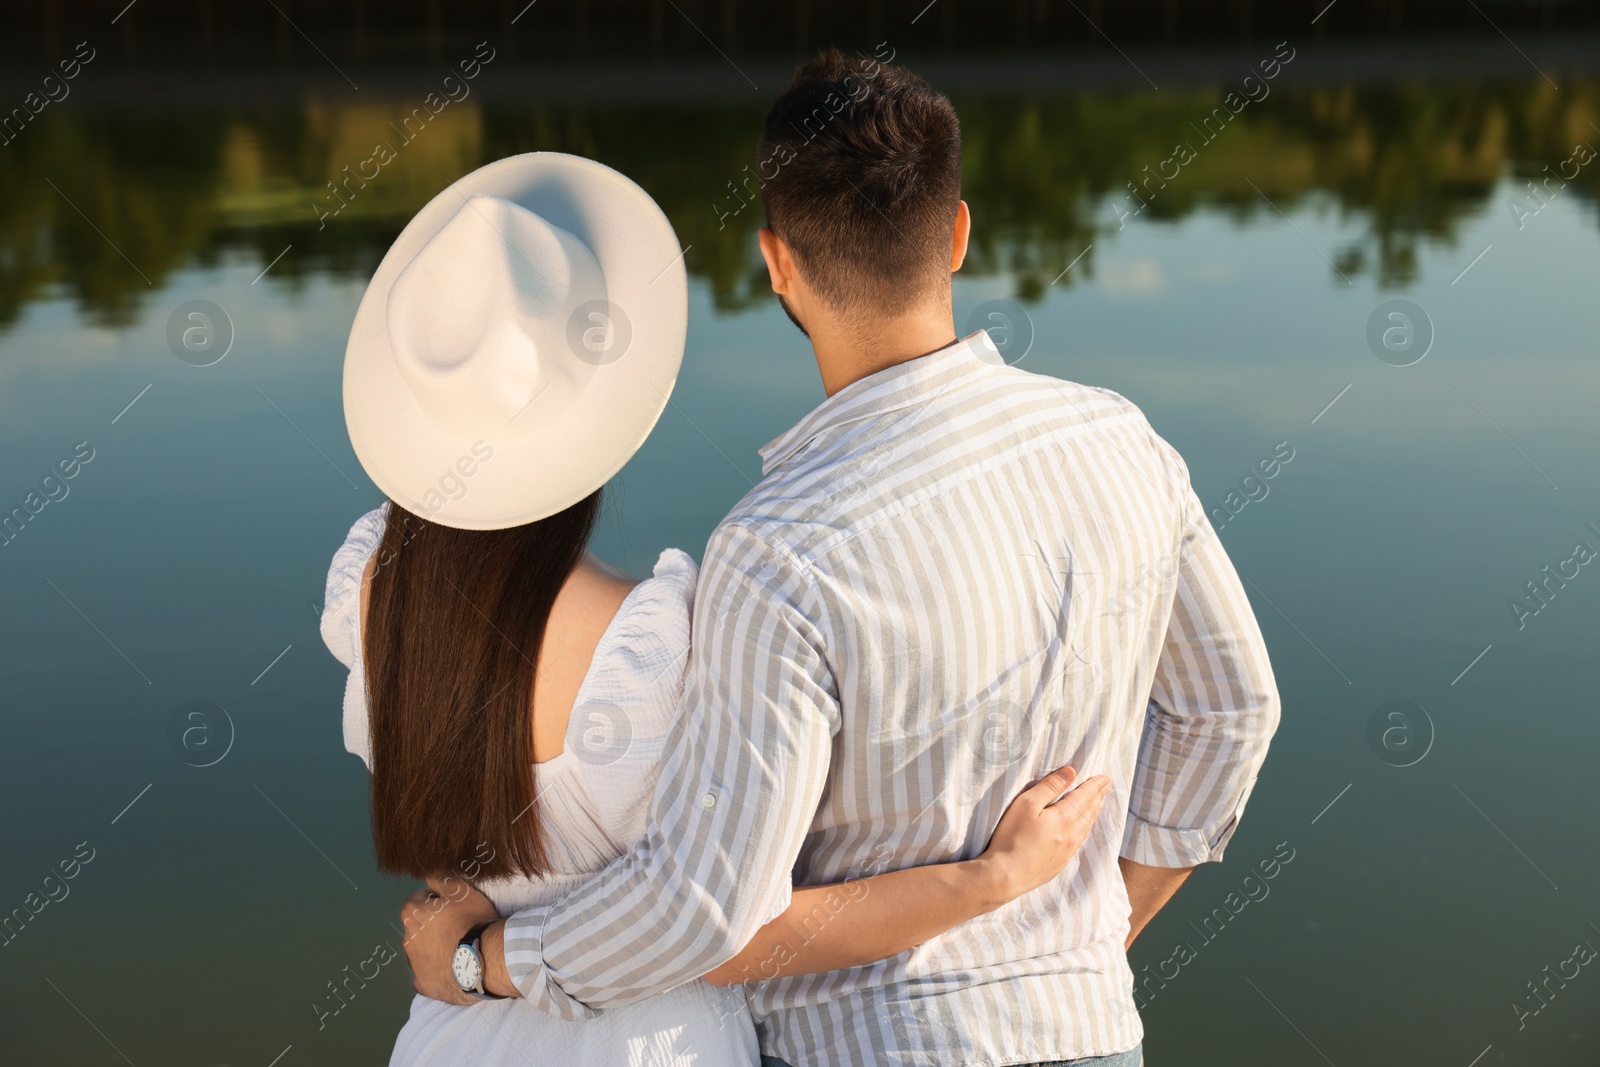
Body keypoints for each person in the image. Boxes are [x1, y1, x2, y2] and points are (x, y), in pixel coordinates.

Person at [401, 52, 1281, 1066]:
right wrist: (1088, 941)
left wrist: (483, 960)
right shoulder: (1120, 442)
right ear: (956, 233)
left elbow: (702, 904)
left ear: (776, 261)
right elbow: (1230, 710)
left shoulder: (779, 549)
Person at [326, 147, 1112, 1066]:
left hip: (451, 1038)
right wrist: (989, 879)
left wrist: (469, 959)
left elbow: (461, 844)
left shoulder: (376, 592)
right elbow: (724, 926)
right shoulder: (651, 639)